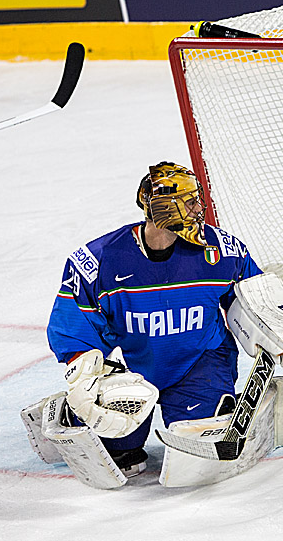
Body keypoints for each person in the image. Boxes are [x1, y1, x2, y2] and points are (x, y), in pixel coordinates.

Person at [45, 162, 262, 477]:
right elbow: (73, 321)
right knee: (117, 448)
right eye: (190, 202)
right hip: (133, 370)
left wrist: (274, 325)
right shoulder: (98, 260)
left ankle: (216, 399)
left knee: (198, 444)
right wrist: (84, 374)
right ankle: (75, 410)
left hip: (200, 362)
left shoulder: (221, 251)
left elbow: (254, 297)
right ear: (165, 208)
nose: (200, 208)